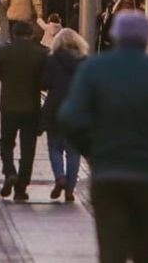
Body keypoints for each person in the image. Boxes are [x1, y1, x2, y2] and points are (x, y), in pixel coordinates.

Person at [61, 11, 148, 263]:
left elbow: (70, 118)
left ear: (114, 36)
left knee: (111, 251)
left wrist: (92, 150)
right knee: (146, 252)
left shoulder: (93, 69)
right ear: (147, 38)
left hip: (108, 173)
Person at [0, 19, 49, 201]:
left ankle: (9, 172)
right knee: (28, 147)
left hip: (9, 106)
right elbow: (45, 83)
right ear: (31, 34)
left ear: (13, 34)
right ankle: (22, 187)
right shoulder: (41, 53)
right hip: (31, 107)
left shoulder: (6, 51)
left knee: (6, 142)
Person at [40, 28, 88, 203]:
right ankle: (69, 189)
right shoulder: (84, 61)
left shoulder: (52, 59)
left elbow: (44, 83)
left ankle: (60, 177)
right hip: (77, 109)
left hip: (55, 109)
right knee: (74, 152)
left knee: (55, 147)